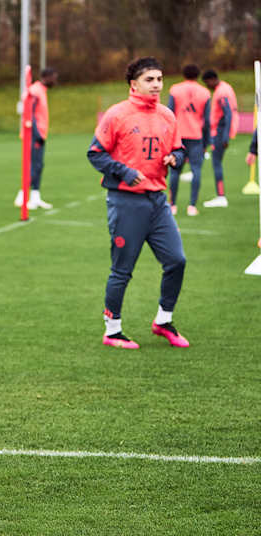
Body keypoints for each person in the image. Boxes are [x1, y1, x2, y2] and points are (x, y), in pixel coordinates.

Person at [87, 57, 190, 350]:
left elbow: (179, 149)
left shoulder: (168, 115)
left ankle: (163, 320)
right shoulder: (116, 115)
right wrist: (125, 171)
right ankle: (113, 330)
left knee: (176, 260)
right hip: (126, 203)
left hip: (158, 202)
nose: (157, 85)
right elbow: (95, 154)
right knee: (122, 269)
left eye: (159, 79)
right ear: (134, 84)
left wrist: (176, 158)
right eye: (150, 80)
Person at [166, 64, 211, 216]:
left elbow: (169, 113)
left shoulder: (175, 89)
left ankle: (172, 205)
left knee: (174, 172)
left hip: (178, 137)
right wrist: (206, 142)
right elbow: (207, 121)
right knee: (196, 170)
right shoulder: (205, 92)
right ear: (198, 75)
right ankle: (192, 206)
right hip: (196, 136)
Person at [14, 67, 58, 209]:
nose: (55, 81)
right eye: (54, 77)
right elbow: (29, 114)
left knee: (38, 166)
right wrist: (37, 134)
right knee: (32, 166)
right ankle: (22, 196)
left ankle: (35, 196)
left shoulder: (42, 91)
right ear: (47, 77)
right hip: (33, 135)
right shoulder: (35, 91)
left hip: (39, 134)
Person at [202, 69, 239, 208]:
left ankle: (221, 196)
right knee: (216, 162)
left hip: (220, 132)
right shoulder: (225, 87)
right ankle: (220, 196)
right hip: (221, 131)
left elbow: (227, 114)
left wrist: (224, 137)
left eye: (207, 83)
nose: (207, 86)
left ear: (212, 80)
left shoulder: (222, 92)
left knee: (216, 163)